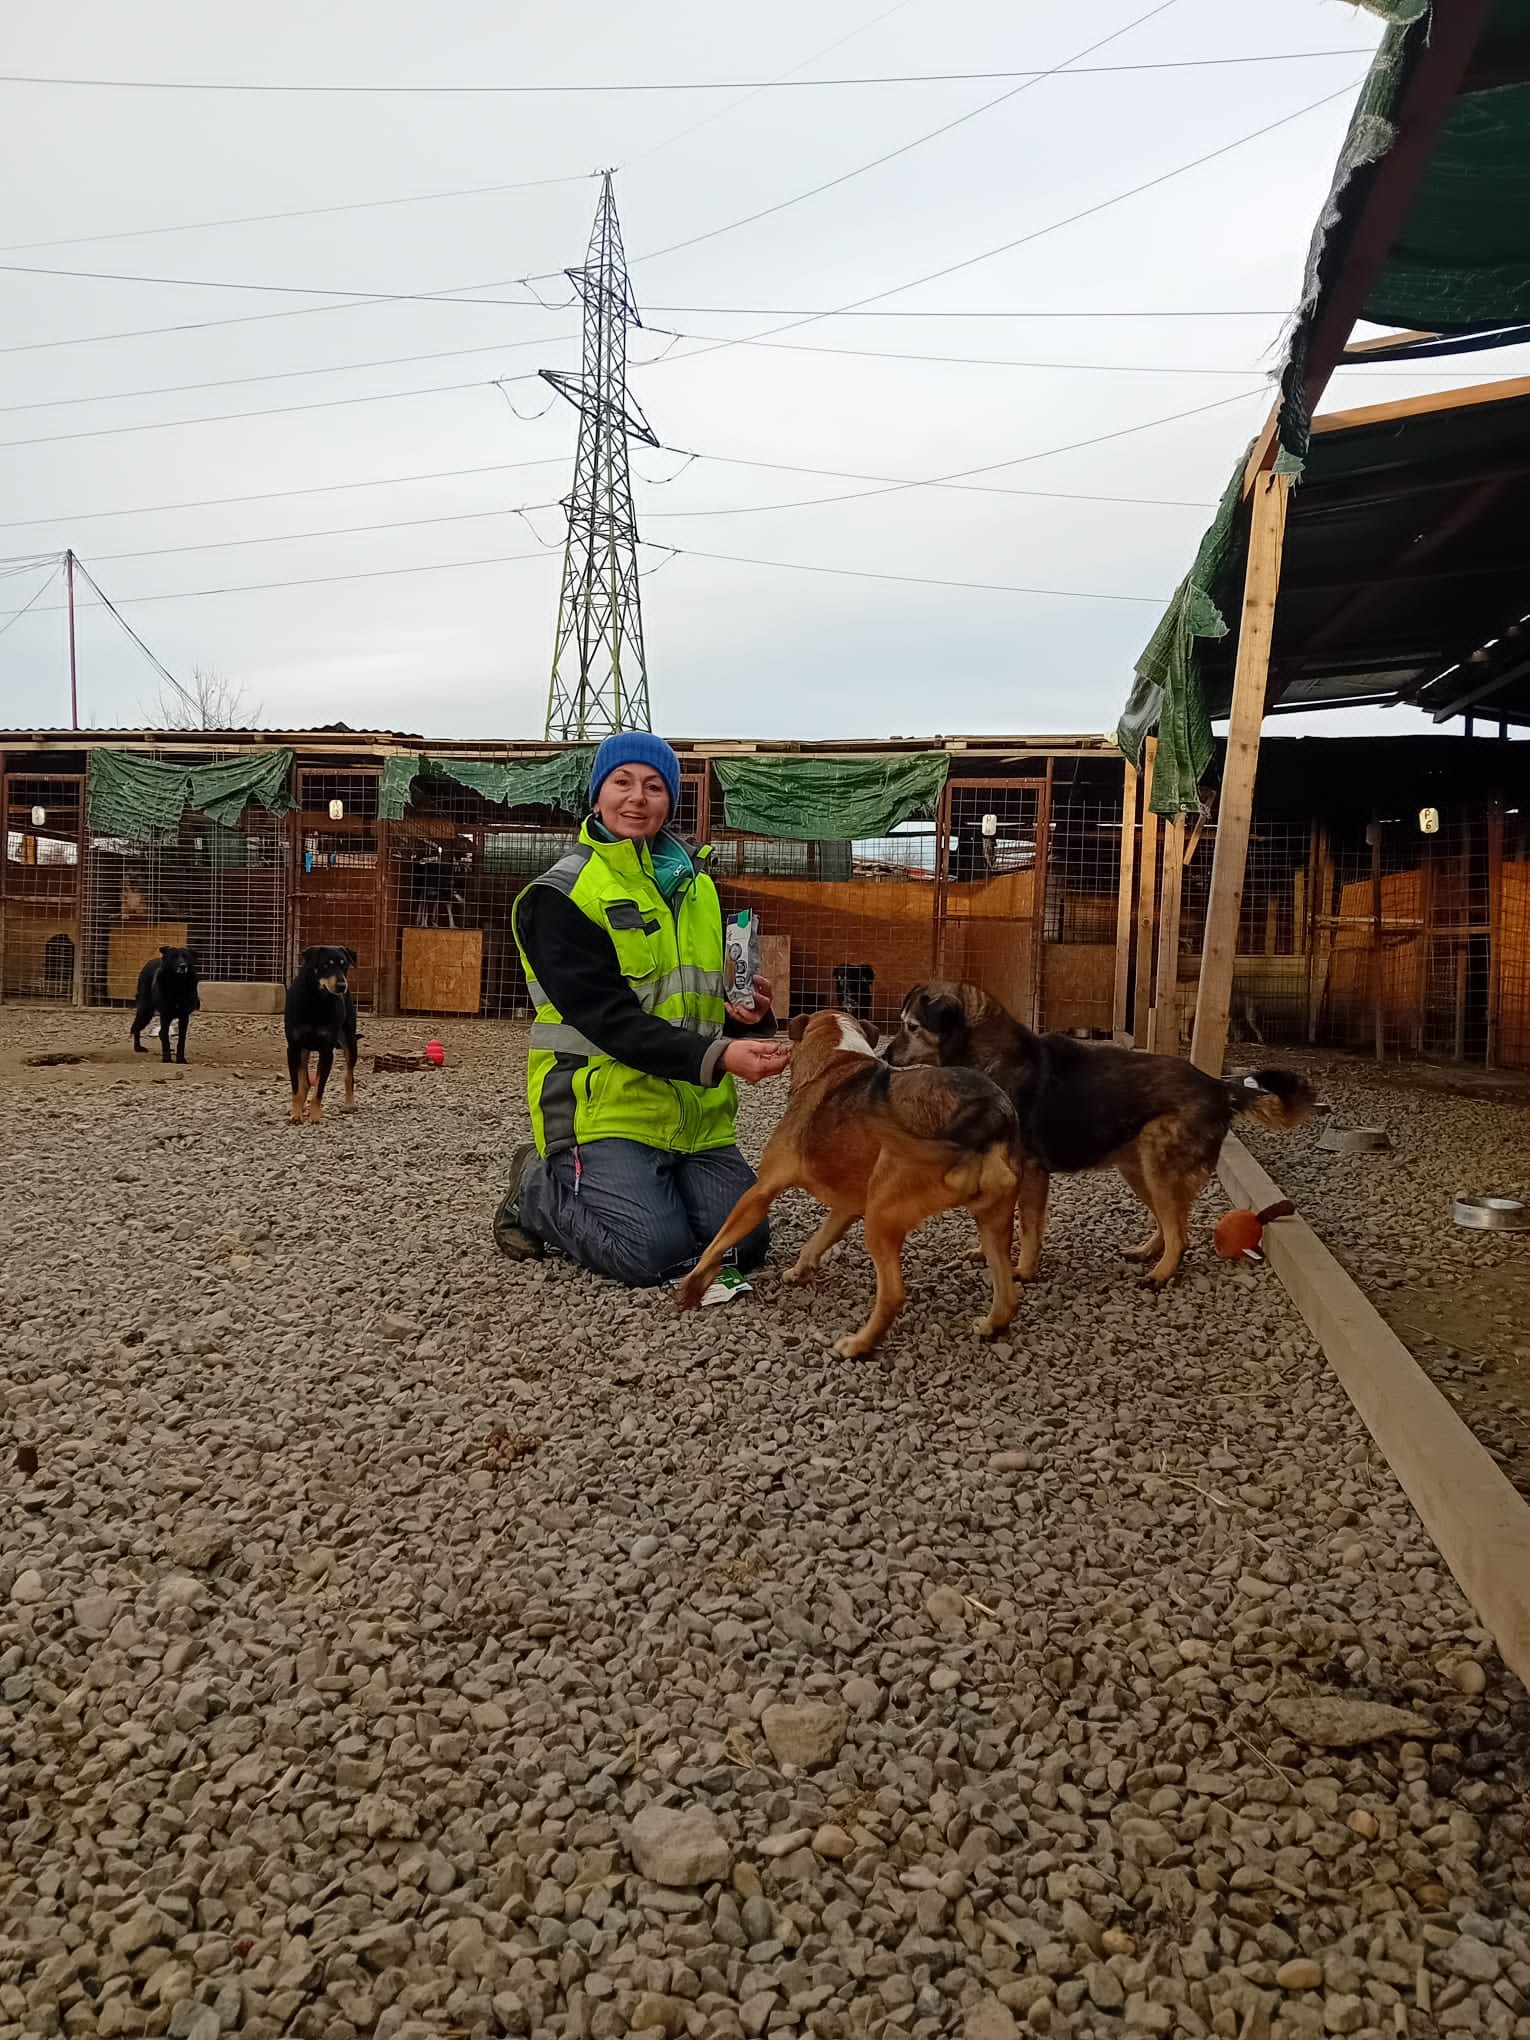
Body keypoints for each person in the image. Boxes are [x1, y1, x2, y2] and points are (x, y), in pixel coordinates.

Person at [494, 732, 790, 1285]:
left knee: (744, 1244)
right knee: (651, 1252)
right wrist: (721, 1056)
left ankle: (654, 1189)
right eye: (622, 783)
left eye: (654, 787)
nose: (637, 798)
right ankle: (535, 1188)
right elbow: (610, 1020)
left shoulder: (696, 886)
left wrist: (743, 1016)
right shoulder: (561, 896)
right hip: (605, 1107)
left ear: (671, 801)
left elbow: (688, 1001)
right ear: (597, 794)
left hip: (693, 1116)